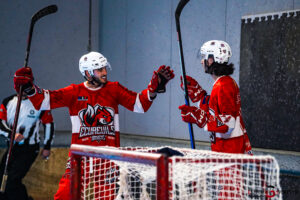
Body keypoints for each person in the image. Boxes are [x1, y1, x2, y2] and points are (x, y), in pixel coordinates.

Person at [13, 51, 175, 200]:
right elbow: (44, 101)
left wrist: (153, 89)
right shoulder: (74, 92)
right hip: (79, 156)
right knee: (65, 194)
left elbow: (140, 105)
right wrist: (28, 87)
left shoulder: (114, 88)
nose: (104, 72)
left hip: (108, 157)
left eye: (104, 68)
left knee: (106, 196)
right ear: (88, 73)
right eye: (99, 69)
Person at [178, 40, 252, 154]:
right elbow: (216, 109)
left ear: (212, 59)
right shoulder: (224, 82)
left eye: (204, 57)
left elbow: (228, 122)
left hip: (229, 150)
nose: (202, 61)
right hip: (227, 147)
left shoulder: (223, 86)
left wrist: (201, 119)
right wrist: (199, 96)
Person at [0, 93, 55, 200]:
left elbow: (49, 124)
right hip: (12, 148)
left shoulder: (40, 103)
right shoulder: (8, 101)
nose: (23, 89)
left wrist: (47, 146)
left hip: (29, 149)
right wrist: (11, 134)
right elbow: (0, 123)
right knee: (2, 178)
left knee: (13, 180)